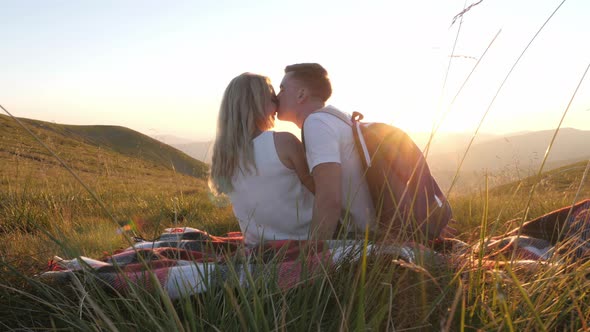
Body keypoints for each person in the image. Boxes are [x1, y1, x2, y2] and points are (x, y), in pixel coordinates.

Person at [209, 73, 315, 247]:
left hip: (257, 247)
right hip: (303, 240)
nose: (278, 106)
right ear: (256, 104)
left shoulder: (224, 156)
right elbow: (322, 190)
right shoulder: (284, 142)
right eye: (273, 99)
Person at [276, 63, 376, 239]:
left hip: (366, 238)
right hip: (376, 232)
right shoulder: (337, 118)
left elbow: (329, 198)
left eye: (282, 89)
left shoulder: (317, 124)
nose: (277, 97)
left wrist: (312, 257)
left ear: (301, 94)